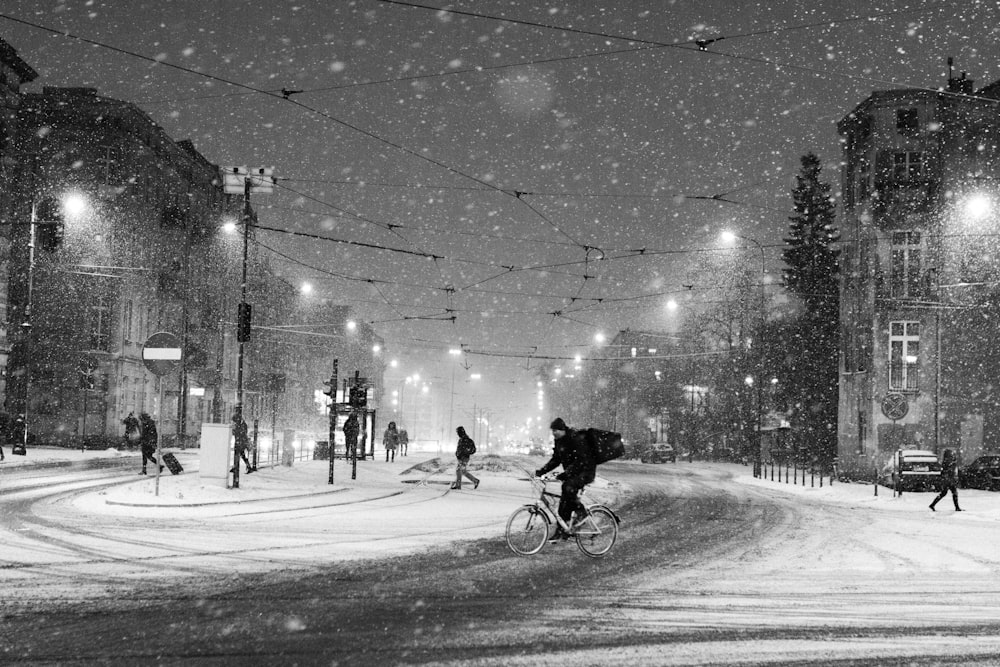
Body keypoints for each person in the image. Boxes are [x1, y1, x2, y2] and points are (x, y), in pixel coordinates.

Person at [535, 417, 597, 540]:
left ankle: (582, 513)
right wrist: (541, 471)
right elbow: (556, 459)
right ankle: (562, 530)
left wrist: (566, 473)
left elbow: (581, 460)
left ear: (563, 429)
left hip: (585, 471)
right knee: (563, 503)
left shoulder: (574, 438)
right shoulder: (559, 441)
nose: (554, 433)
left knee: (568, 487)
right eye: (552, 431)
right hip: (573, 473)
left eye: (556, 430)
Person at [451, 425, 479, 490]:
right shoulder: (462, 440)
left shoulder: (466, 440)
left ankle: (458, 486)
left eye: (458, 432)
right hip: (461, 458)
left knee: (458, 470)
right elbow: (459, 449)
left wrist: (464, 453)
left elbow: (472, 450)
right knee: (463, 471)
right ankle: (475, 481)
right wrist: (457, 454)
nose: (458, 434)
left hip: (464, 458)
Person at [231, 408, 255, 474]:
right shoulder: (242, 423)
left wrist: (235, 431)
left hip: (240, 441)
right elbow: (243, 432)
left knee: (240, 454)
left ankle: (244, 467)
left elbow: (239, 432)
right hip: (241, 441)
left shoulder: (239, 423)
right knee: (241, 454)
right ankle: (244, 467)